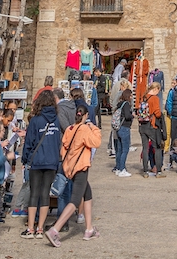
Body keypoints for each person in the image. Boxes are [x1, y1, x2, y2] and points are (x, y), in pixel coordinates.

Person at [45, 102, 102, 246]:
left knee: (87, 195)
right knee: (75, 200)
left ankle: (89, 229)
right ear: (86, 115)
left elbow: (64, 147)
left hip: (70, 167)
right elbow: (96, 142)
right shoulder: (85, 129)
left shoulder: (70, 128)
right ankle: (55, 229)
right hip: (81, 167)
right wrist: (94, 128)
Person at [20, 89, 62, 238]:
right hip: (51, 160)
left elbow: (29, 142)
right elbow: (58, 142)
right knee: (45, 194)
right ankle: (40, 228)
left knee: (34, 193)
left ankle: (30, 228)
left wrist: (25, 159)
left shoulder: (36, 120)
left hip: (37, 160)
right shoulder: (56, 120)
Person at [138, 82, 165, 178]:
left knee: (145, 148)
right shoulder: (155, 98)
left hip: (142, 125)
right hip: (151, 125)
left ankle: (145, 171)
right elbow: (157, 113)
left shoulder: (143, 97)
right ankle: (158, 172)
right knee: (157, 148)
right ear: (156, 89)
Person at [111, 88, 133, 177]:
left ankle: (118, 167)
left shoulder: (119, 104)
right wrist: (133, 115)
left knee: (119, 149)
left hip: (118, 128)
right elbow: (127, 116)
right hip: (125, 128)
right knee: (125, 150)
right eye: (131, 96)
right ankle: (122, 169)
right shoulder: (126, 104)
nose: (132, 97)